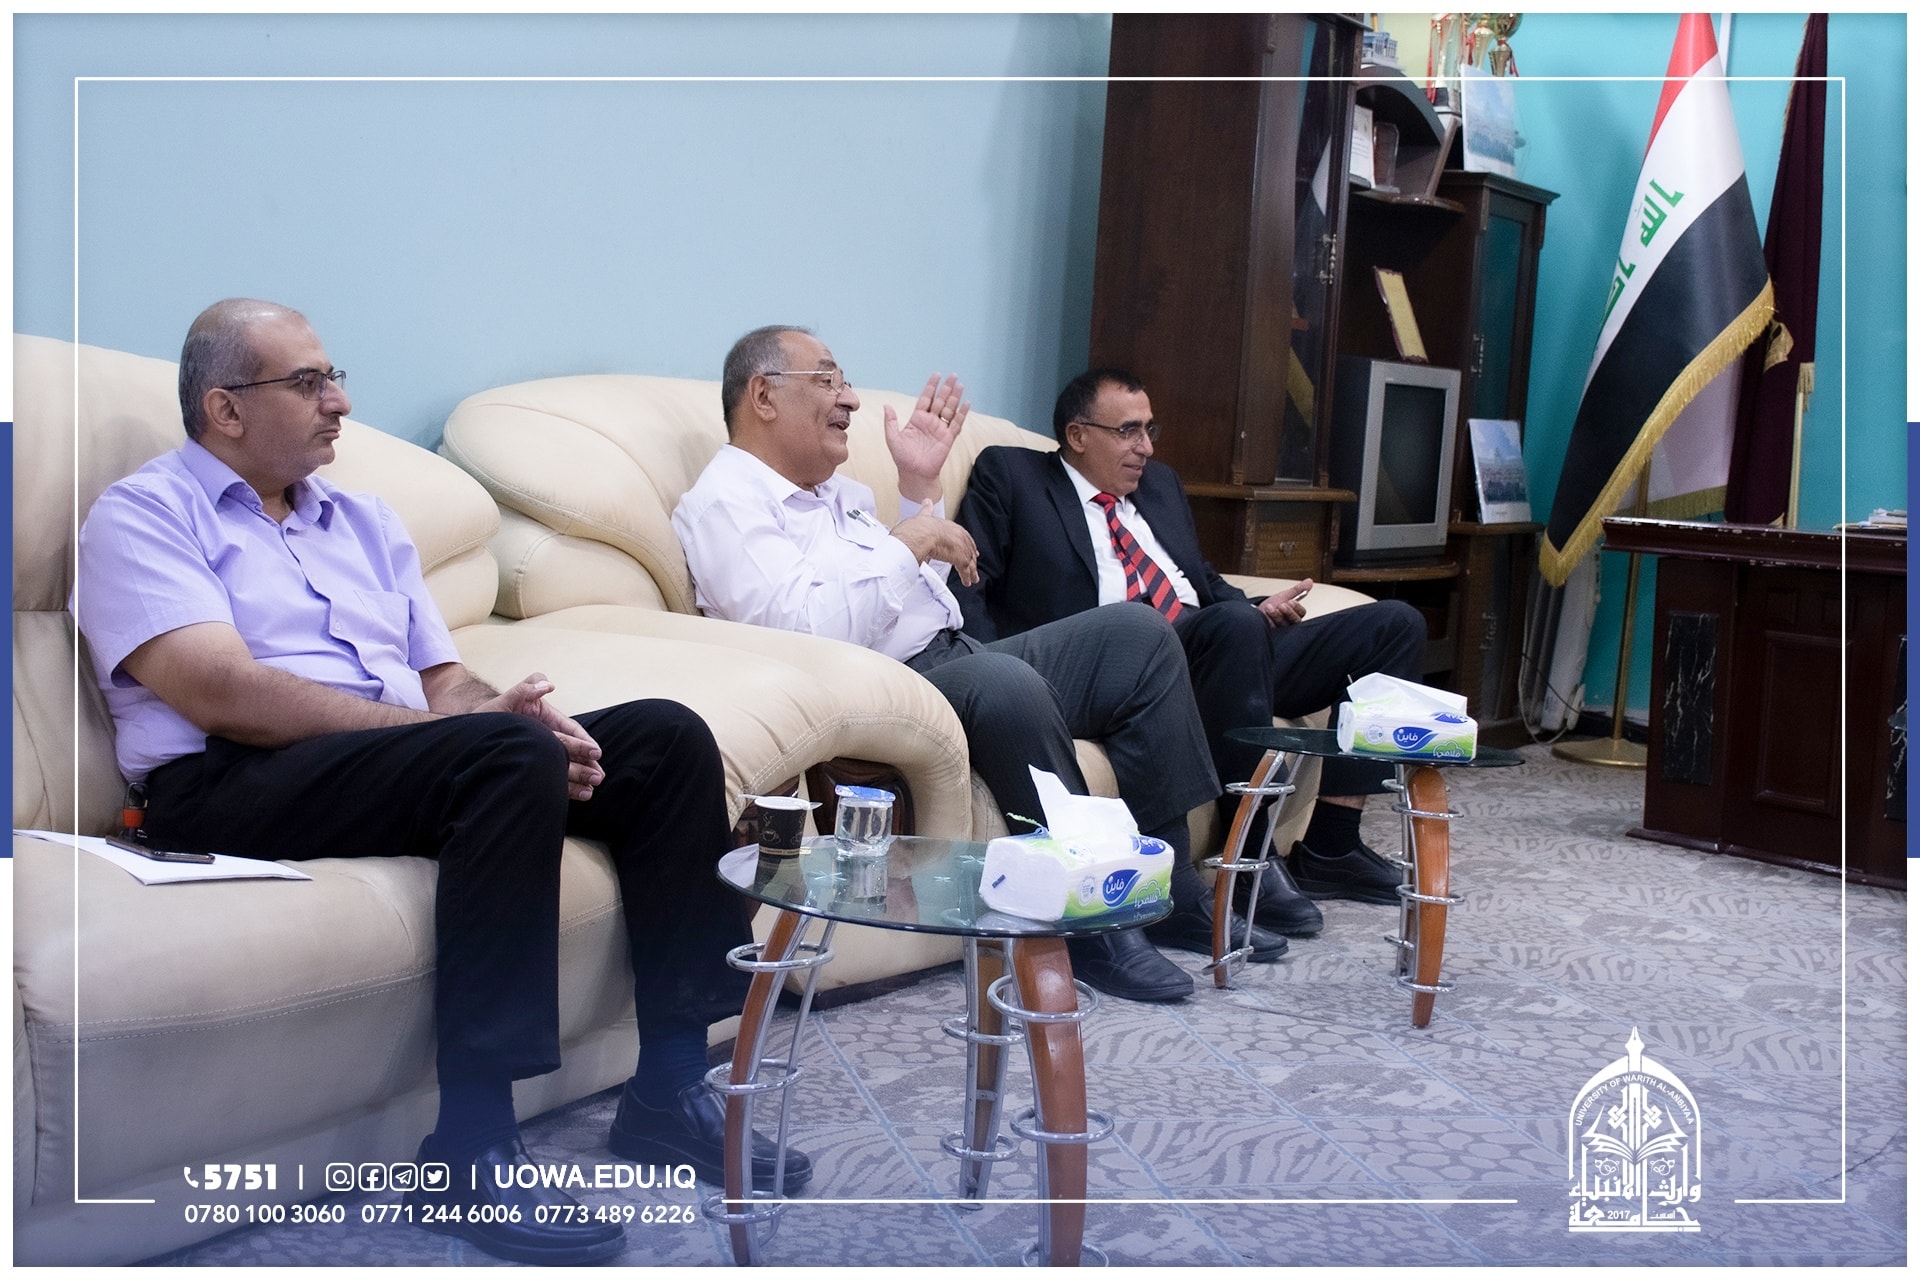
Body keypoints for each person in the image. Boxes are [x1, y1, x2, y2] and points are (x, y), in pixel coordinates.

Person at [73, 299, 807, 1267]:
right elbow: (222, 692)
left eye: (335, 377)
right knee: (499, 754)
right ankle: (468, 1144)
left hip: (386, 761)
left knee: (664, 737)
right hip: (226, 782)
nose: (339, 401)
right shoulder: (144, 513)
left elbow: (441, 680)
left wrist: (506, 710)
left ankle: (669, 1086)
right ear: (225, 407)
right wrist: (471, 736)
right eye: (308, 381)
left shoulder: (362, 520)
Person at [673, 326, 1286, 1005]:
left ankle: (1172, 889)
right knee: (1004, 682)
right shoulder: (727, 504)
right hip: (888, 685)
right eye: (827, 380)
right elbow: (805, 630)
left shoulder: (835, 494)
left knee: (1139, 636)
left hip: (953, 652)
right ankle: (1085, 923)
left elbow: (915, 595)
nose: (849, 399)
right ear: (763, 396)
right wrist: (911, 540)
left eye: (843, 381)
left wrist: (919, 489)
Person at [951, 368, 1429, 932]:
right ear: (1077, 435)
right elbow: (970, 583)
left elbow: (1199, 581)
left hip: (1222, 649)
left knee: (1395, 624)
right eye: (1129, 431)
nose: (1146, 447)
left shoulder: (1159, 486)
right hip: (1126, 661)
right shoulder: (1014, 477)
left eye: (1150, 429)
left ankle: (1332, 846)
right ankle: (1249, 855)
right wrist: (993, 669)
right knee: (1231, 629)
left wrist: (1256, 609)